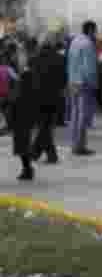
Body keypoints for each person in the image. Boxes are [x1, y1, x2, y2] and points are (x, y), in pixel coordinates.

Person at [30, 34, 66, 165]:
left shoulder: (34, 59)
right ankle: (43, 154)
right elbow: (63, 79)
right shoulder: (60, 59)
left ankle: (38, 153)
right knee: (46, 126)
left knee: (43, 126)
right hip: (53, 97)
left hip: (37, 97)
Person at [67, 20, 99, 156]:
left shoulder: (74, 42)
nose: (96, 34)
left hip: (73, 81)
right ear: (91, 30)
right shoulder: (88, 44)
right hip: (84, 83)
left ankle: (74, 144)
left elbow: (69, 62)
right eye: (95, 31)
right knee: (83, 116)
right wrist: (94, 83)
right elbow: (89, 68)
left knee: (74, 115)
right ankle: (80, 146)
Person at [10, 42, 39, 180]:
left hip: (22, 113)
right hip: (23, 113)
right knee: (22, 143)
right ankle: (27, 169)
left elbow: (20, 96)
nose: (16, 58)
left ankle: (27, 169)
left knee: (22, 143)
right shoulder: (25, 74)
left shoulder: (26, 75)